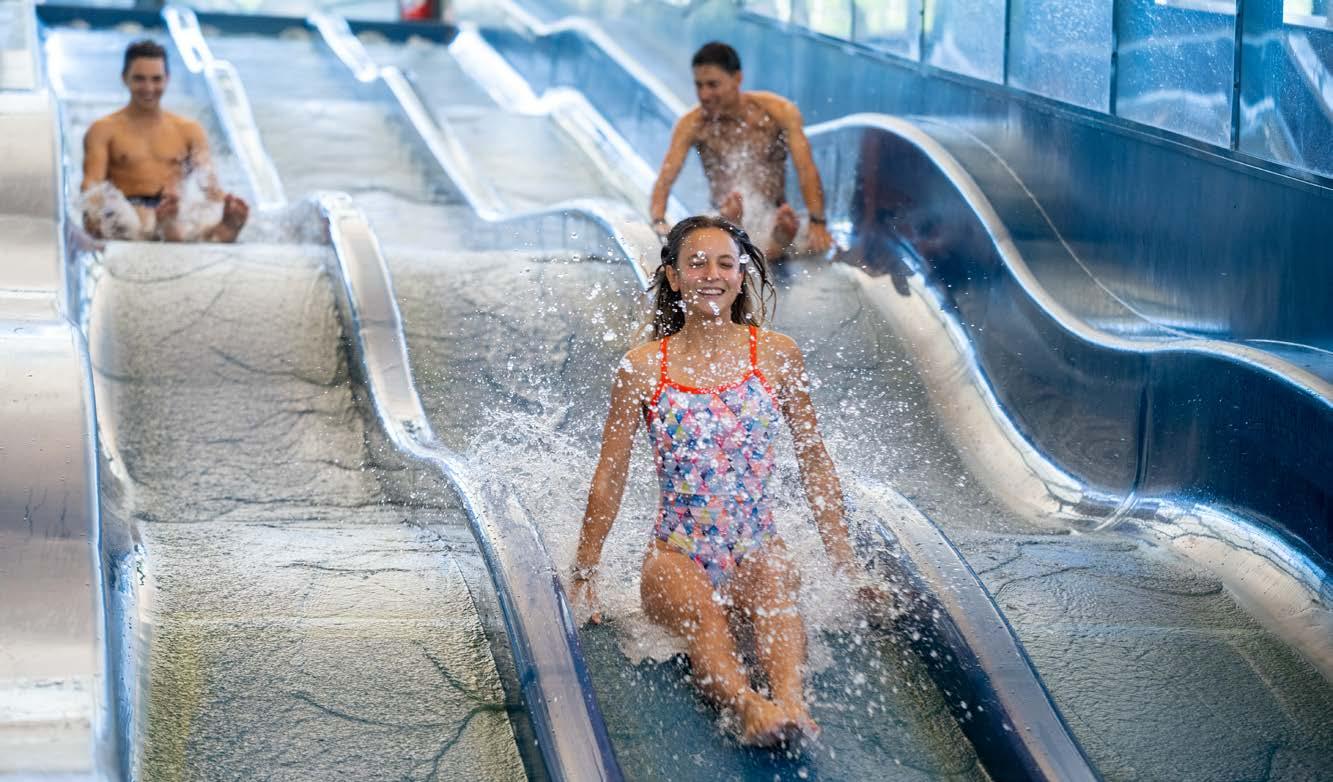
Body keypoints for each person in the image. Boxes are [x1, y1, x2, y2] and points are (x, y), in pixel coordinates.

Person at [570, 216, 865, 746]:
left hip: (758, 546)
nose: (712, 274)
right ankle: (747, 705)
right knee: (707, 620)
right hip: (676, 554)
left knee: (776, 595)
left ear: (740, 275)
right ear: (674, 276)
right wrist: (585, 569)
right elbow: (610, 473)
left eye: (725, 264)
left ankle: (792, 703)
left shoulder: (776, 355)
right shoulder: (643, 368)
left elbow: (815, 462)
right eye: (697, 263)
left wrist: (847, 566)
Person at [649, 42, 833, 260]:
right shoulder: (692, 124)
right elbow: (664, 181)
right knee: (715, 229)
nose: (704, 95)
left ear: (737, 78)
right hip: (722, 215)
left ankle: (775, 240)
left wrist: (818, 222)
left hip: (771, 214)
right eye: (699, 85)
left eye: (713, 85)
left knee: (818, 244)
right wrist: (659, 222)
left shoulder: (778, 112)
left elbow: (806, 169)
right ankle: (749, 235)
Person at [81, 39, 248, 242]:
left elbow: (209, 184)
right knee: (129, 217)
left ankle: (215, 229)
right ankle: (166, 227)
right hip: (129, 210)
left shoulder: (188, 130)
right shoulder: (103, 130)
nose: (149, 87)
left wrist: (226, 206)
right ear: (125, 78)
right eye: (139, 79)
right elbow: (92, 185)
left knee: (196, 215)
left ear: (167, 79)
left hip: (175, 207)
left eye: (156, 79)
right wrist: (93, 220)